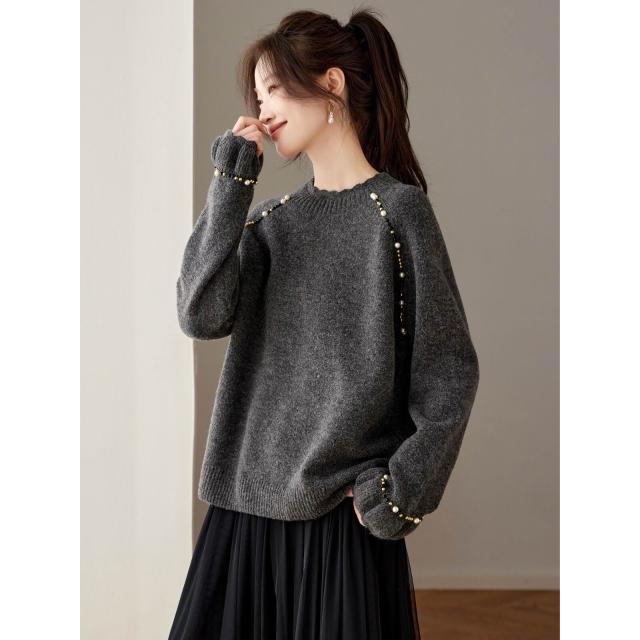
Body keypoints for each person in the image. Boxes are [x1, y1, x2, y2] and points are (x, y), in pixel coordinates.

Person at [168, 8, 480, 639]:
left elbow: (448, 374)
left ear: (331, 82)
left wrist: (399, 494)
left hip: (340, 525)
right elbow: (199, 313)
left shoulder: (397, 214)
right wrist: (231, 180)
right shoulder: (271, 223)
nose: (262, 108)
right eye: (257, 96)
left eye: (273, 88)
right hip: (245, 518)